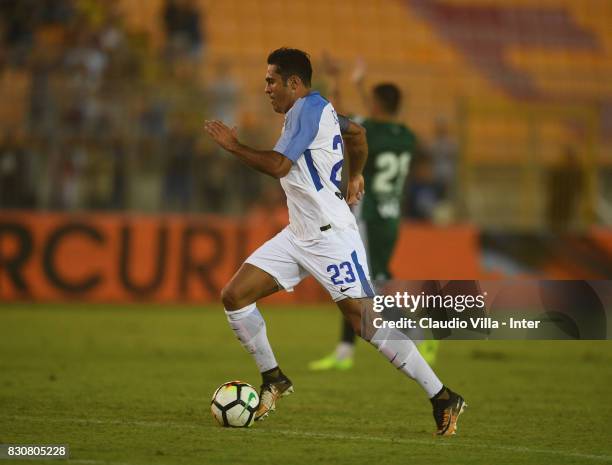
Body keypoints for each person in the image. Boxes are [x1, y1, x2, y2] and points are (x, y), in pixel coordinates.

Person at [203, 48, 466, 436]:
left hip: (331, 237)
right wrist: (355, 174)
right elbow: (357, 134)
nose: (266, 89)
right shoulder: (316, 111)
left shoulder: (307, 110)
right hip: (298, 235)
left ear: (294, 83)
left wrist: (234, 147)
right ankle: (274, 379)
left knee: (364, 321)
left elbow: (279, 165)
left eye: (271, 81)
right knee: (235, 295)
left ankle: (442, 395)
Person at [309, 57, 439, 371]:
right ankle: (345, 351)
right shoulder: (407, 137)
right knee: (362, 279)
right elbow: (379, 118)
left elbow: (337, 115)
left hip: (366, 213)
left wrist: (340, 82)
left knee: (368, 282)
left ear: (376, 105)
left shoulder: (370, 131)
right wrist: (362, 88)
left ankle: (420, 333)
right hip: (391, 215)